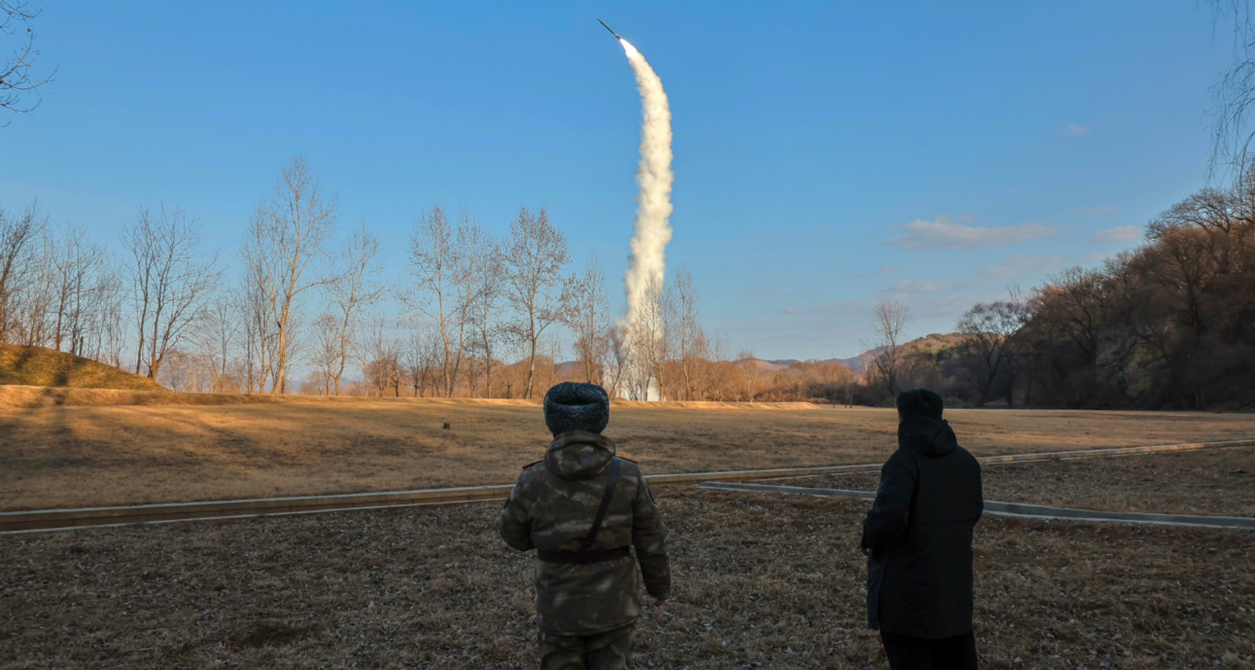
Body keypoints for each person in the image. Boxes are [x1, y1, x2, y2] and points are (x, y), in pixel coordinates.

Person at [499, 382, 671, 670]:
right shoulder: (628, 475)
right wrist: (659, 588)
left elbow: (513, 536)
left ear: (550, 420)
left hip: (557, 606)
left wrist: (553, 539)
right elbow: (651, 540)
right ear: (602, 420)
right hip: (616, 604)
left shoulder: (532, 479)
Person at [860, 389, 984, 670]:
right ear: (940, 417)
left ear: (902, 419)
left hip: (905, 598)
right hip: (956, 591)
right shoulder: (967, 461)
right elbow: (975, 511)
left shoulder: (903, 462)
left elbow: (888, 518)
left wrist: (868, 536)